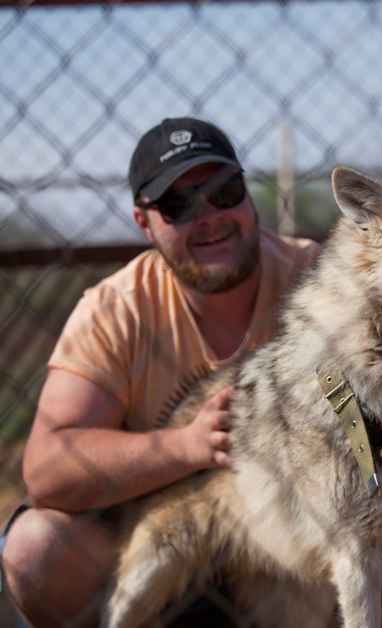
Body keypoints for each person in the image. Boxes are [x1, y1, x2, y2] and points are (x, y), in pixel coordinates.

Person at [0, 118, 320, 627]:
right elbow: (45, 469)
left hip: (300, 539)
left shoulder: (319, 278)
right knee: (37, 546)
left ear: (247, 194)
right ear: (143, 223)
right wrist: (190, 446)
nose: (209, 217)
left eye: (224, 191)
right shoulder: (114, 309)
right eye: (178, 206)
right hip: (166, 537)